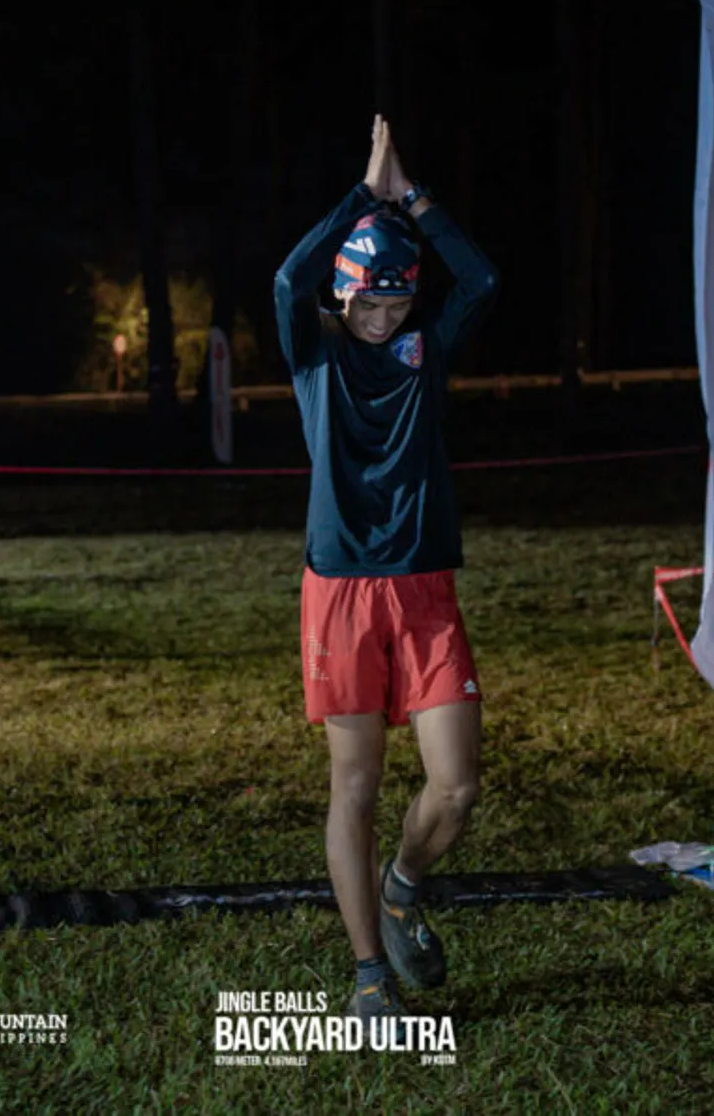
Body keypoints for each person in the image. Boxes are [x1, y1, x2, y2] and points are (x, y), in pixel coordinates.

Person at [274, 115, 498, 1028]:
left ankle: (404, 885)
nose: (382, 316)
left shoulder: (425, 353)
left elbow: (480, 278)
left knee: (457, 785)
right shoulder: (315, 352)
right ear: (345, 293)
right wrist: (363, 196)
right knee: (355, 786)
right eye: (368, 301)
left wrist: (414, 200)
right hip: (341, 593)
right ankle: (370, 967)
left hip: (425, 588)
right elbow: (289, 277)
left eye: (396, 302)